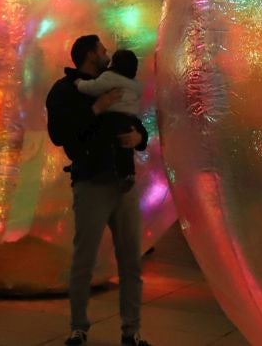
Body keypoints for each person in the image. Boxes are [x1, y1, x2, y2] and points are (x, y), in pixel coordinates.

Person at [46, 34, 152, 346]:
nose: (108, 53)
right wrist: (96, 108)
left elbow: (134, 119)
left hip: (124, 182)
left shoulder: (118, 82)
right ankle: (78, 328)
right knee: (84, 260)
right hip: (91, 182)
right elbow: (59, 134)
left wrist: (139, 137)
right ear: (91, 54)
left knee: (131, 260)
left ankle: (131, 333)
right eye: (103, 49)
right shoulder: (66, 90)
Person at [74, 48, 147, 186]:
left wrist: (79, 83)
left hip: (114, 117)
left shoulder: (109, 77)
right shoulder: (135, 84)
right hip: (128, 118)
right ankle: (127, 174)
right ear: (90, 54)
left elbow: (93, 87)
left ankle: (119, 174)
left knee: (116, 143)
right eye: (103, 52)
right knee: (125, 147)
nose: (107, 56)